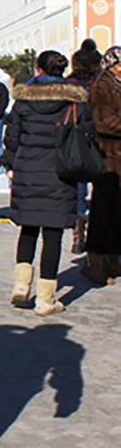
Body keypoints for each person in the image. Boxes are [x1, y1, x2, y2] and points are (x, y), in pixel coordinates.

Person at [3, 51, 92, 315]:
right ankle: (46, 299)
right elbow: (87, 133)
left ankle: (21, 286)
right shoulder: (74, 100)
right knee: (52, 235)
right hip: (60, 172)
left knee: (28, 229)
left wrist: (11, 164)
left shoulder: (23, 99)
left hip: (28, 170)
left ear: (38, 70)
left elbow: (12, 138)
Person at [82, 45, 121, 285]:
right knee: (103, 211)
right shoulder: (101, 86)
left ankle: (114, 259)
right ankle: (97, 262)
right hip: (108, 157)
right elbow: (104, 122)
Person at [68, 39, 102, 253]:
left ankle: (78, 229)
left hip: (76, 138)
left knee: (79, 187)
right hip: (100, 137)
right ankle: (97, 227)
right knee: (101, 184)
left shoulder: (69, 84)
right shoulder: (101, 83)